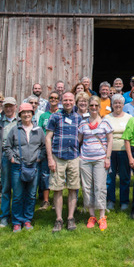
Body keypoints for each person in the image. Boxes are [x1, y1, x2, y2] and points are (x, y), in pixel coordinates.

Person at [4, 103, 46, 232]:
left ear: (32, 114)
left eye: (29, 112)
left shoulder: (38, 130)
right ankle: (17, 221)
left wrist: (39, 157)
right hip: (18, 166)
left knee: (31, 195)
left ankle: (27, 219)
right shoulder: (15, 130)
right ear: (20, 115)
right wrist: (12, 158)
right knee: (17, 195)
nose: (26, 115)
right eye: (24, 113)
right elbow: (7, 146)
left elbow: (44, 146)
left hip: (34, 166)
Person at [46, 92, 83, 232]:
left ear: (74, 101)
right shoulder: (55, 116)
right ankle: (59, 219)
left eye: (70, 100)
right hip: (58, 157)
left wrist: (74, 146)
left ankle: (71, 217)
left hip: (73, 157)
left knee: (73, 188)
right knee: (57, 188)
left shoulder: (78, 118)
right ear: (62, 101)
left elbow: (79, 136)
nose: (68, 102)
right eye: (65, 100)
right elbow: (48, 137)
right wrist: (50, 158)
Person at [78, 96, 113, 231]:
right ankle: (91, 215)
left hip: (100, 158)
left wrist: (107, 157)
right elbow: (79, 140)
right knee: (87, 187)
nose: (93, 108)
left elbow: (110, 141)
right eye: (91, 105)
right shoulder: (83, 123)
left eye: (95, 106)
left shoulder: (105, 123)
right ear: (88, 107)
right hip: (85, 159)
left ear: (99, 107)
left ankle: (102, 216)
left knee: (100, 187)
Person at [0, 97, 18, 227]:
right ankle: (4, 215)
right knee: (5, 188)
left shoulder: (20, 120)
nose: (8, 109)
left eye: (11, 106)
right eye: (6, 106)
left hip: (18, 159)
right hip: (5, 159)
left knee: (18, 189)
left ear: (15, 107)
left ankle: (17, 216)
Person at [104, 94, 132, 211]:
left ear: (123, 104)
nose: (117, 105)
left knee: (124, 177)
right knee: (110, 178)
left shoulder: (129, 118)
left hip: (124, 150)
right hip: (110, 151)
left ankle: (124, 201)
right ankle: (110, 200)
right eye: (115, 103)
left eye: (119, 103)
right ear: (112, 104)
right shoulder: (106, 118)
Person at [37, 91, 60, 210]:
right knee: (45, 173)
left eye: (56, 98)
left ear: (59, 100)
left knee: (58, 173)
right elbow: (40, 131)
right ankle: (46, 200)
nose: (53, 99)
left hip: (59, 146)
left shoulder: (61, 114)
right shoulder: (43, 116)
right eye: (51, 98)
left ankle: (57, 201)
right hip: (46, 147)